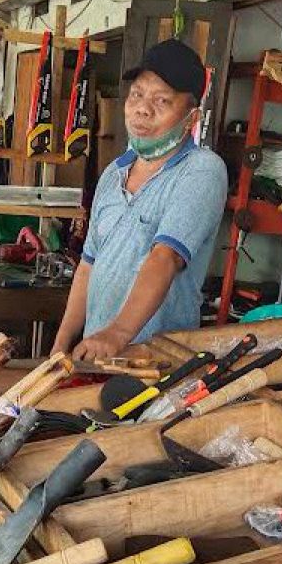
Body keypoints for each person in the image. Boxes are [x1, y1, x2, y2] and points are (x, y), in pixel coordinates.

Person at [51, 39, 228, 361]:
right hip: (97, 355)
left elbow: (165, 258)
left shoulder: (202, 170)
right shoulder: (112, 174)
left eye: (162, 100)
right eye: (137, 94)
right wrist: (61, 344)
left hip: (156, 360)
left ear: (191, 117)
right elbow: (88, 266)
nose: (143, 109)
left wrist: (117, 333)